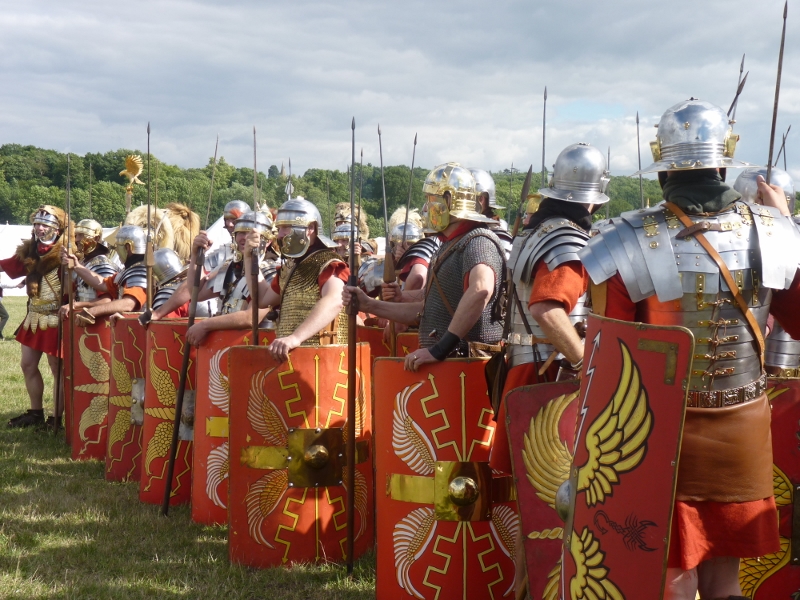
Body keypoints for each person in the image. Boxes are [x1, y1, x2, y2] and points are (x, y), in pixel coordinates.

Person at [579, 98, 800, 600]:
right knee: (726, 579)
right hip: (744, 426)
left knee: (672, 577)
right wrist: (785, 222)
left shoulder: (625, 238)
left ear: (662, 166)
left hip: (658, 430)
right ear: (724, 161)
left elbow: (607, 360)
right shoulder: (775, 233)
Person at [490, 143, 609, 597]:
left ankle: (522, 589)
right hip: (553, 378)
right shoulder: (569, 242)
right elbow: (546, 308)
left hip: (528, 372)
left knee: (536, 503)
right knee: (557, 502)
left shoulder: (535, 232)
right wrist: (584, 363)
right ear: (592, 199)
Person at [343, 163, 506, 371]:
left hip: (467, 368)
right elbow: (427, 311)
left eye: (431, 200)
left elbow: (481, 289)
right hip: (450, 367)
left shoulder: (478, 241)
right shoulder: (449, 246)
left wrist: (439, 349)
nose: (426, 208)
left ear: (448, 201)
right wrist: (368, 305)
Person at [148, 211, 274, 346]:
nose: (245, 238)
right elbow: (196, 293)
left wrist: (205, 325)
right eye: (241, 233)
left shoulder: (269, 272)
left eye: (251, 234)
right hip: (228, 345)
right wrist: (196, 256)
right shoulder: (231, 267)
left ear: (267, 241)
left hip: (256, 348)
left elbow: (250, 318)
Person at [246, 196, 348, 361]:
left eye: (286, 227)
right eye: (279, 228)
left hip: (323, 359)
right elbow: (262, 299)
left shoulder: (328, 262)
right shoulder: (290, 267)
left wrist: (295, 338)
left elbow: (335, 300)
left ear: (310, 228)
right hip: (293, 358)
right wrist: (249, 258)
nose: (280, 235)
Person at [0, 206, 72, 427]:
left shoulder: (67, 252)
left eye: (45, 225)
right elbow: (7, 265)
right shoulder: (31, 252)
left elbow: (75, 287)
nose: (39, 228)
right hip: (33, 317)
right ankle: (35, 413)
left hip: (55, 318)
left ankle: (55, 418)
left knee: (57, 370)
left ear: (57, 229)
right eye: (37, 224)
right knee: (28, 365)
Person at [64, 224, 148, 324]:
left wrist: (93, 311)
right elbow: (103, 284)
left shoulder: (139, 272)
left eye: (118, 246)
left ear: (128, 247)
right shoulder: (129, 270)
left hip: (139, 328)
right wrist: (76, 266)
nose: (116, 250)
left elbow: (128, 304)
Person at [59, 219, 118, 320]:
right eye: (76, 235)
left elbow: (107, 301)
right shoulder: (83, 262)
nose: (77, 239)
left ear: (96, 238)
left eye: (81, 235)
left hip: (98, 321)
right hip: (83, 320)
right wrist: (65, 267)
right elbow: (69, 291)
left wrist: (76, 305)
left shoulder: (102, 264)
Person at [204, 200, 250, 271]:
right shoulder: (221, 253)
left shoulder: (259, 253)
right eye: (227, 219)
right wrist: (198, 255)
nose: (229, 224)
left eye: (234, 219)